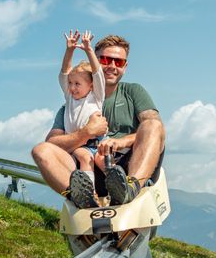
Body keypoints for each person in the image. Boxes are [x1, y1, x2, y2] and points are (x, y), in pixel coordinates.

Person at [32, 34, 165, 208]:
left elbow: (154, 127)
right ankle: (81, 196)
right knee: (40, 150)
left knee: (153, 124)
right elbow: (52, 143)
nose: (111, 66)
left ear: (125, 66)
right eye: (105, 59)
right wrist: (85, 133)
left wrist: (119, 142)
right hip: (88, 171)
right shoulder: (70, 106)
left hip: (127, 164)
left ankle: (129, 188)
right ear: (95, 59)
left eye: (118, 62)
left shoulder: (133, 92)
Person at [58, 30, 107, 208]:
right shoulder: (69, 98)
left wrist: (88, 50)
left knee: (105, 160)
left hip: (99, 140)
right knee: (86, 158)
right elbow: (64, 72)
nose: (72, 87)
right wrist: (69, 50)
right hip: (79, 143)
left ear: (91, 85)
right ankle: (89, 195)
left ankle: (119, 189)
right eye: (71, 83)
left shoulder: (96, 96)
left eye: (77, 84)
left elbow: (98, 73)